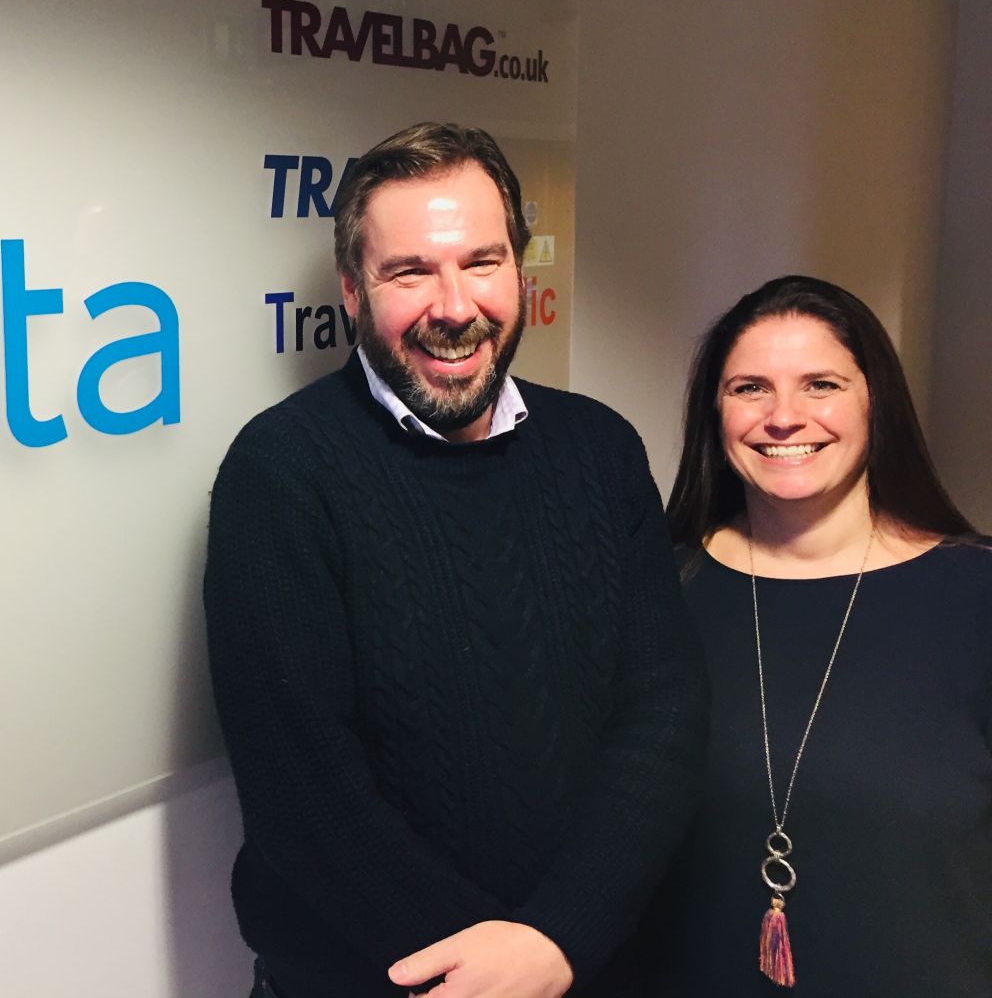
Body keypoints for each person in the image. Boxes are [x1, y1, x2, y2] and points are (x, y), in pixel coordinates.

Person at [203, 122, 707, 998]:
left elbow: (664, 711)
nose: (455, 306)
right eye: (410, 272)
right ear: (353, 292)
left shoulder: (602, 447)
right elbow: (304, 794)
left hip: (588, 967)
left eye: (482, 261)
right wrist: (492, 972)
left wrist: (558, 940)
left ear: (520, 272)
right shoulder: (279, 473)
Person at [660, 274, 991, 996]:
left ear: (876, 401)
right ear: (715, 409)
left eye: (821, 385)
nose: (784, 417)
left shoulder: (978, 594)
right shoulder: (656, 588)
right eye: (750, 388)